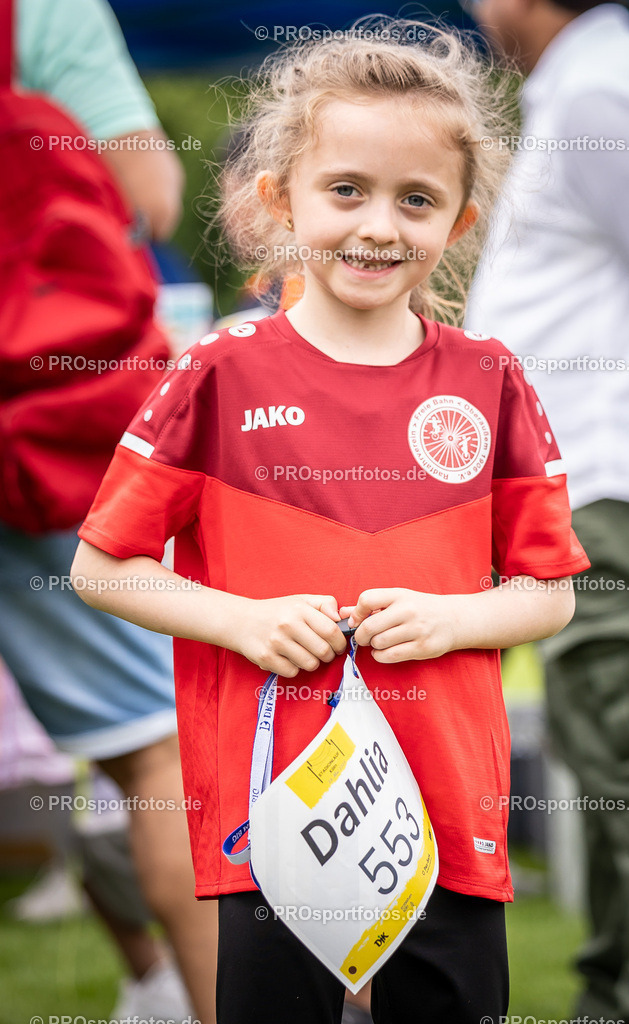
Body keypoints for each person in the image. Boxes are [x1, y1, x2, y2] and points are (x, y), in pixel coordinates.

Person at [70, 19, 589, 1024]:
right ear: (278, 200)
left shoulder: (489, 382)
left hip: (445, 819)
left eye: (417, 200)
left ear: (460, 220)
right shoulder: (216, 374)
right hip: (274, 816)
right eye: (345, 189)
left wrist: (450, 620)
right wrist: (240, 620)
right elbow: (105, 566)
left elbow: (547, 591)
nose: (378, 226)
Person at [465, 2, 629, 1021]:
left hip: (610, 487)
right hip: (583, 494)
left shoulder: (601, 86)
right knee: (611, 761)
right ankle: (621, 990)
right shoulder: (584, 85)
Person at [0, 1, 217, 1019]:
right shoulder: (41, 10)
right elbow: (150, 192)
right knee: (154, 750)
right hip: (31, 429)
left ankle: (149, 987)